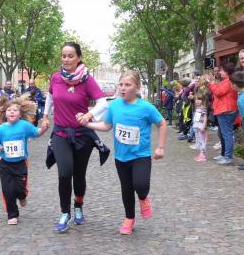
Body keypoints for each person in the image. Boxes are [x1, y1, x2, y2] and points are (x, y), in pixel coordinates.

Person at [85, 71, 167, 235]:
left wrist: (160, 147)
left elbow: (162, 124)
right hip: (121, 157)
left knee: (140, 185)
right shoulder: (114, 106)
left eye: (127, 85)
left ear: (137, 87)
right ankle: (129, 219)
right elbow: (106, 126)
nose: (123, 88)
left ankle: (143, 198)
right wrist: (87, 124)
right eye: (121, 84)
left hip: (141, 155)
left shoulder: (146, 108)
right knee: (126, 188)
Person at [41, 42, 111, 233]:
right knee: (64, 173)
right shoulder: (56, 78)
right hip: (61, 133)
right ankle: (65, 212)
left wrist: (89, 115)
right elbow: (50, 97)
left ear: (78, 58)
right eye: (63, 56)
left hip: (82, 135)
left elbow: (103, 103)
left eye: (70, 56)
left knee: (79, 174)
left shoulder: (87, 79)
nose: (66, 59)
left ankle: (78, 205)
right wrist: (45, 116)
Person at [0, 99, 49, 224]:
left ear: (20, 114)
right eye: (9, 110)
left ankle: (22, 196)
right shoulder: (1, 128)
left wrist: (43, 129)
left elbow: (36, 133)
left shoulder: (24, 125)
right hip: (5, 164)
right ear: (5, 114)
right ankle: (12, 215)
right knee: (8, 190)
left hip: (21, 163)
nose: (12, 112)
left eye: (15, 110)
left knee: (20, 188)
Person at [207, 63, 238, 165]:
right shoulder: (226, 81)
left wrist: (211, 83)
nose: (220, 72)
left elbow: (218, 92)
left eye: (221, 70)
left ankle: (228, 157)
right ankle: (224, 154)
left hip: (226, 110)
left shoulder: (228, 81)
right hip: (223, 110)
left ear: (227, 71)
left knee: (227, 134)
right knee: (222, 134)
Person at [192, 94, 208, 162]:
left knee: (202, 140)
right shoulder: (197, 108)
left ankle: (202, 155)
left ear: (202, 100)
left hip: (201, 125)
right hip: (197, 125)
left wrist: (203, 126)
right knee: (199, 140)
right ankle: (200, 154)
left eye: (199, 99)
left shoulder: (203, 108)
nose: (197, 101)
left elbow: (205, 117)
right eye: (196, 99)